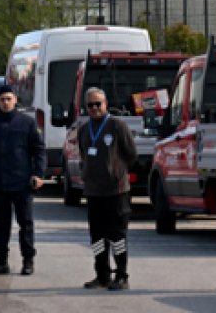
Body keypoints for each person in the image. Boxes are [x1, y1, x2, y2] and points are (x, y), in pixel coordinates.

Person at [0, 85, 46, 276]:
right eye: (2, 99)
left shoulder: (27, 123)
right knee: (1, 224)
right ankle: (1, 261)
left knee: (25, 223)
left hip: (22, 182)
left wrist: (39, 174)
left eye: (8, 98)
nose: (5, 102)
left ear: (15, 100)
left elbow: (38, 150)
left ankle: (28, 260)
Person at [77, 88, 138, 291]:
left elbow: (131, 154)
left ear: (106, 103)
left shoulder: (117, 125)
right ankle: (102, 275)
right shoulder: (84, 129)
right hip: (94, 192)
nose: (94, 108)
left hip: (116, 192)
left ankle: (122, 275)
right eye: (90, 105)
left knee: (117, 235)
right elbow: (83, 155)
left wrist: (116, 172)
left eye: (98, 104)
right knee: (96, 237)